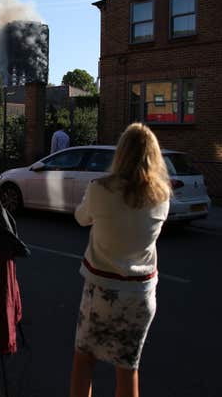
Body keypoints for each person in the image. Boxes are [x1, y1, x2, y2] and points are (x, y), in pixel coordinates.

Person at [69, 123, 171, 397]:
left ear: (121, 153)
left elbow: (81, 218)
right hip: (141, 294)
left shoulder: (100, 189)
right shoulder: (162, 197)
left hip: (102, 291)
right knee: (127, 368)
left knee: (84, 361)